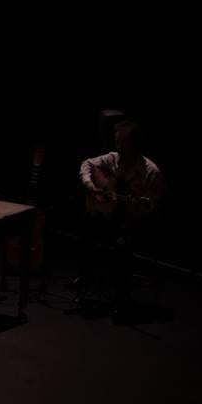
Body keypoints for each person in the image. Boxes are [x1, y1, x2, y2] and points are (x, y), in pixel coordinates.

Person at [76, 120, 164, 319]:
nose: (119, 148)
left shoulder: (151, 172)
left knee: (122, 244)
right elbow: (87, 164)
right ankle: (86, 283)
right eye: (117, 143)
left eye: (123, 143)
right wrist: (91, 186)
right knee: (88, 223)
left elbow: (149, 208)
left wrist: (133, 206)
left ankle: (122, 298)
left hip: (137, 222)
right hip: (114, 217)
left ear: (135, 145)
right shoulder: (113, 159)